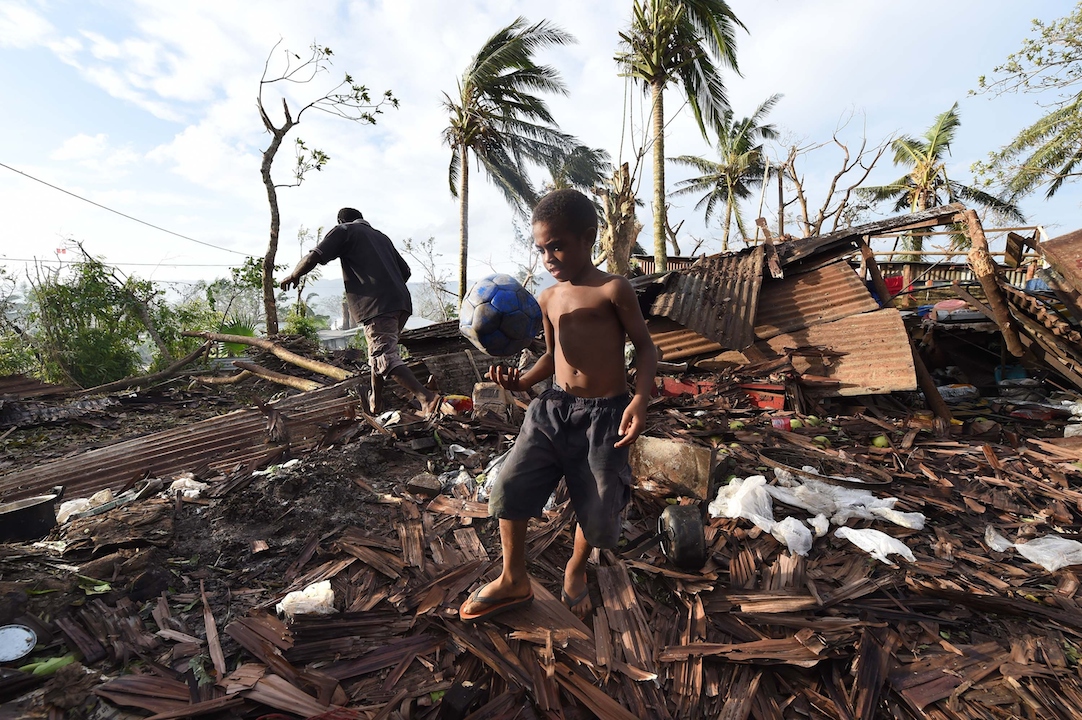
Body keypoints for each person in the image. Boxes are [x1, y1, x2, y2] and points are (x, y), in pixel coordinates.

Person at [458, 188, 658, 623]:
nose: (549, 257)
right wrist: (522, 381)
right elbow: (551, 357)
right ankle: (514, 578)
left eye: (558, 245)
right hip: (552, 409)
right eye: (542, 249)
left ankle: (575, 567)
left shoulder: (612, 289)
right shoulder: (547, 298)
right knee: (509, 485)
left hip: (606, 416)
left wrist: (640, 399)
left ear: (588, 238)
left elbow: (645, 348)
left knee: (599, 501)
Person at [279, 208, 439, 415]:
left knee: (384, 355)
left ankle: (426, 398)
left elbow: (315, 256)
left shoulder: (344, 230)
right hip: (401, 302)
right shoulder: (382, 238)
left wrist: (294, 275)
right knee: (378, 354)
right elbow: (406, 272)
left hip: (377, 306)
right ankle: (376, 402)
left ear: (340, 220)